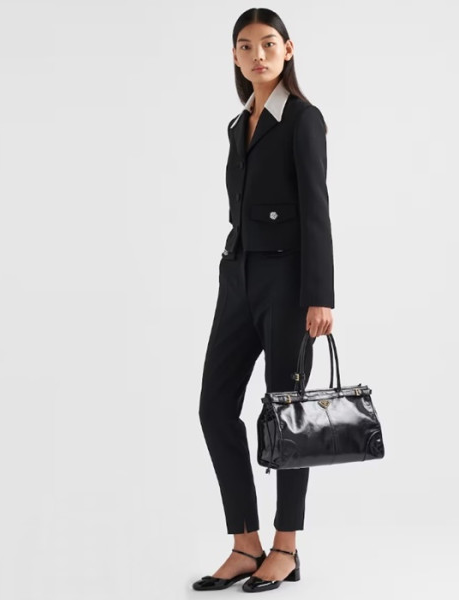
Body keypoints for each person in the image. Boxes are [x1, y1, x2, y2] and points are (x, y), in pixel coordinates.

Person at [193, 8, 335, 593]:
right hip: (239, 279)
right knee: (214, 407)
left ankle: (286, 548)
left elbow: (316, 208)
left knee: (286, 416)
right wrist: (233, 271)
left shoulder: (303, 119)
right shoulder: (238, 124)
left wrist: (320, 296)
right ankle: (245, 543)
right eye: (246, 46)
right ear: (234, 56)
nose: (258, 55)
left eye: (269, 44)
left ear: (288, 49)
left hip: (289, 284)